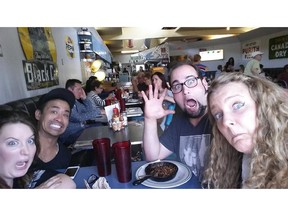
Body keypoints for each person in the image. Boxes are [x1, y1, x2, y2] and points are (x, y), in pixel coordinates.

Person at [203, 72, 288, 188]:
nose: (226, 122)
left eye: (237, 105)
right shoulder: (239, 160)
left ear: (264, 106)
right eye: (218, 115)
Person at [142, 61, 212, 181]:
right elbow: (153, 157)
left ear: (204, 83)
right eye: (177, 86)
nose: (185, 91)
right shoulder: (179, 121)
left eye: (191, 81)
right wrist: (149, 119)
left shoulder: (221, 119)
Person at [0, 108, 76, 189]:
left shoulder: (24, 178)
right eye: (13, 143)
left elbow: (66, 182)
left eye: (30, 141)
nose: (26, 151)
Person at [32, 88, 75, 170]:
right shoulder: (20, 150)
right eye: (54, 112)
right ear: (38, 115)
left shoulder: (65, 156)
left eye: (65, 115)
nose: (59, 119)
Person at [58, 79, 103, 146]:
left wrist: (85, 99)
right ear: (70, 90)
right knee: (98, 133)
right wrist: (99, 111)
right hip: (70, 135)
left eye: (81, 89)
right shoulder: (66, 103)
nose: (81, 92)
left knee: (100, 126)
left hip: (81, 129)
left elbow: (89, 111)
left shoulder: (75, 101)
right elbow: (79, 118)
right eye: (79, 89)